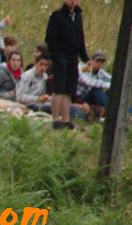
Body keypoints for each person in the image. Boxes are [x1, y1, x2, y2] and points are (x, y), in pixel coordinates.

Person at [45, 0, 89, 129]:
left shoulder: (78, 16)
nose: (72, 1)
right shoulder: (57, 16)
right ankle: (55, 119)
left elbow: (81, 39)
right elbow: (49, 39)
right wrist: (56, 57)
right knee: (58, 88)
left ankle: (66, 119)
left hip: (73, 58)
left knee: (69, 90)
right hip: (60, 57)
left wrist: (86, 59)